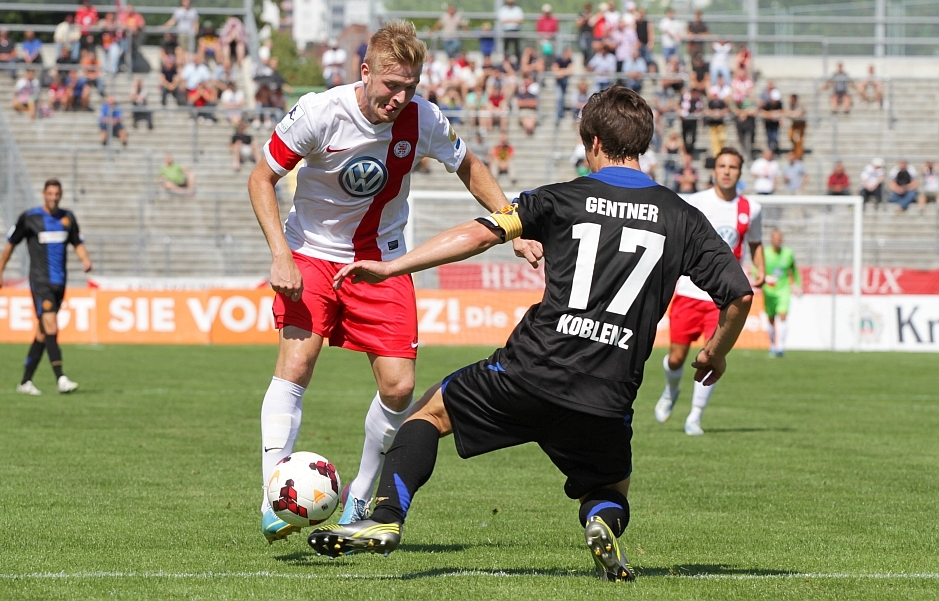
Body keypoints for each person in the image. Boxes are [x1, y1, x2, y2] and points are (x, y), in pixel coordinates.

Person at [307, 87, 755, 580]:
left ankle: (386, 516)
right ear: (643, 143)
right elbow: (739, 294)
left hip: (531, 371)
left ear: (594, 142)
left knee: (426, 415)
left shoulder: (562, 197)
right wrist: (715, 353)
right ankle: (600, 523)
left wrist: (393, 267)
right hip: (607, 393)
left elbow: (479, 233)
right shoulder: (682, 217)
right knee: (609, 487)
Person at [247, 20, 542, 543]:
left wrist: (512, 224)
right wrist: (280, 255)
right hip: (311, 253)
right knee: (296, 364)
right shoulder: (319, 112)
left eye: (410, 86)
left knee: (400, 386)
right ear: (365, 72)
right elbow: (261, 178)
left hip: (382, 260)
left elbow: (468, 165)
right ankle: (275, 494)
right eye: (391, 85)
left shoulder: (423, 118)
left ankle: (361, 493)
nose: (399, 97)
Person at [655, 147, 764, 435]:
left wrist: (760, 268)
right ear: (714, 170)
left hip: (723, 298)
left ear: (740, 172)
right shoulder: (694, 202)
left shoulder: (751, 209)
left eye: (733, 167)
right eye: (722, 166)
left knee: (711, 356)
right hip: (690, 292)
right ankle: (671, 390)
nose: (727, 171)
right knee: (676, 358)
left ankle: (695, 417)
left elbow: (755, 242)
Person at [0, 179, 92, 395]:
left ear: (61, 195)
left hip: (60, 283)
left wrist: (85, 260)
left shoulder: (68, 218)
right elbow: (10, 245)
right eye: (50, 193)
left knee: (42, 333)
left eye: (57, 194)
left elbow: (77, 243)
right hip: (40, 282)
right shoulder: (30, 218)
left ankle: (25, 382)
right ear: (44, 194)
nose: (54, 198)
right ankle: (61, 378)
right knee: (51, 326)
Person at [761, 228, 800, 358]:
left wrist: (797, 284)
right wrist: (765, 278)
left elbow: (794, 270)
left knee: (783, 315)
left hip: (784, 290)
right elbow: (757, 270)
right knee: (771, 318)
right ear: (771, 240)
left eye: (779, 239)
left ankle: (781, 346)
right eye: (775, 238)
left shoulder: (788, 253)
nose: (777, 241)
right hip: (769, 291)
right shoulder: (765, 254)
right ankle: (772, 345)